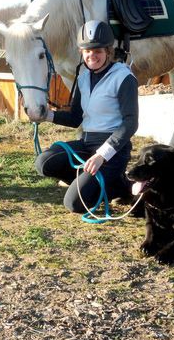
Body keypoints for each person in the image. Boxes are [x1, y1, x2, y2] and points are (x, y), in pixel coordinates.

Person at [34, 20, 138, 213]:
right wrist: (45, 115)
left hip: (112, 152)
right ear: (82, 52)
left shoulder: (123, 77)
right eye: (87, 50)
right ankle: (92, 183)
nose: (92, 55)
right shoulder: (83, 78)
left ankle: (119, 185)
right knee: (44, 163)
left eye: (98, 51)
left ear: (108, 51)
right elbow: (75, 118)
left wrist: (102, 155)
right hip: (87, 143)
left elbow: (131, 123)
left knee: (74, 204)